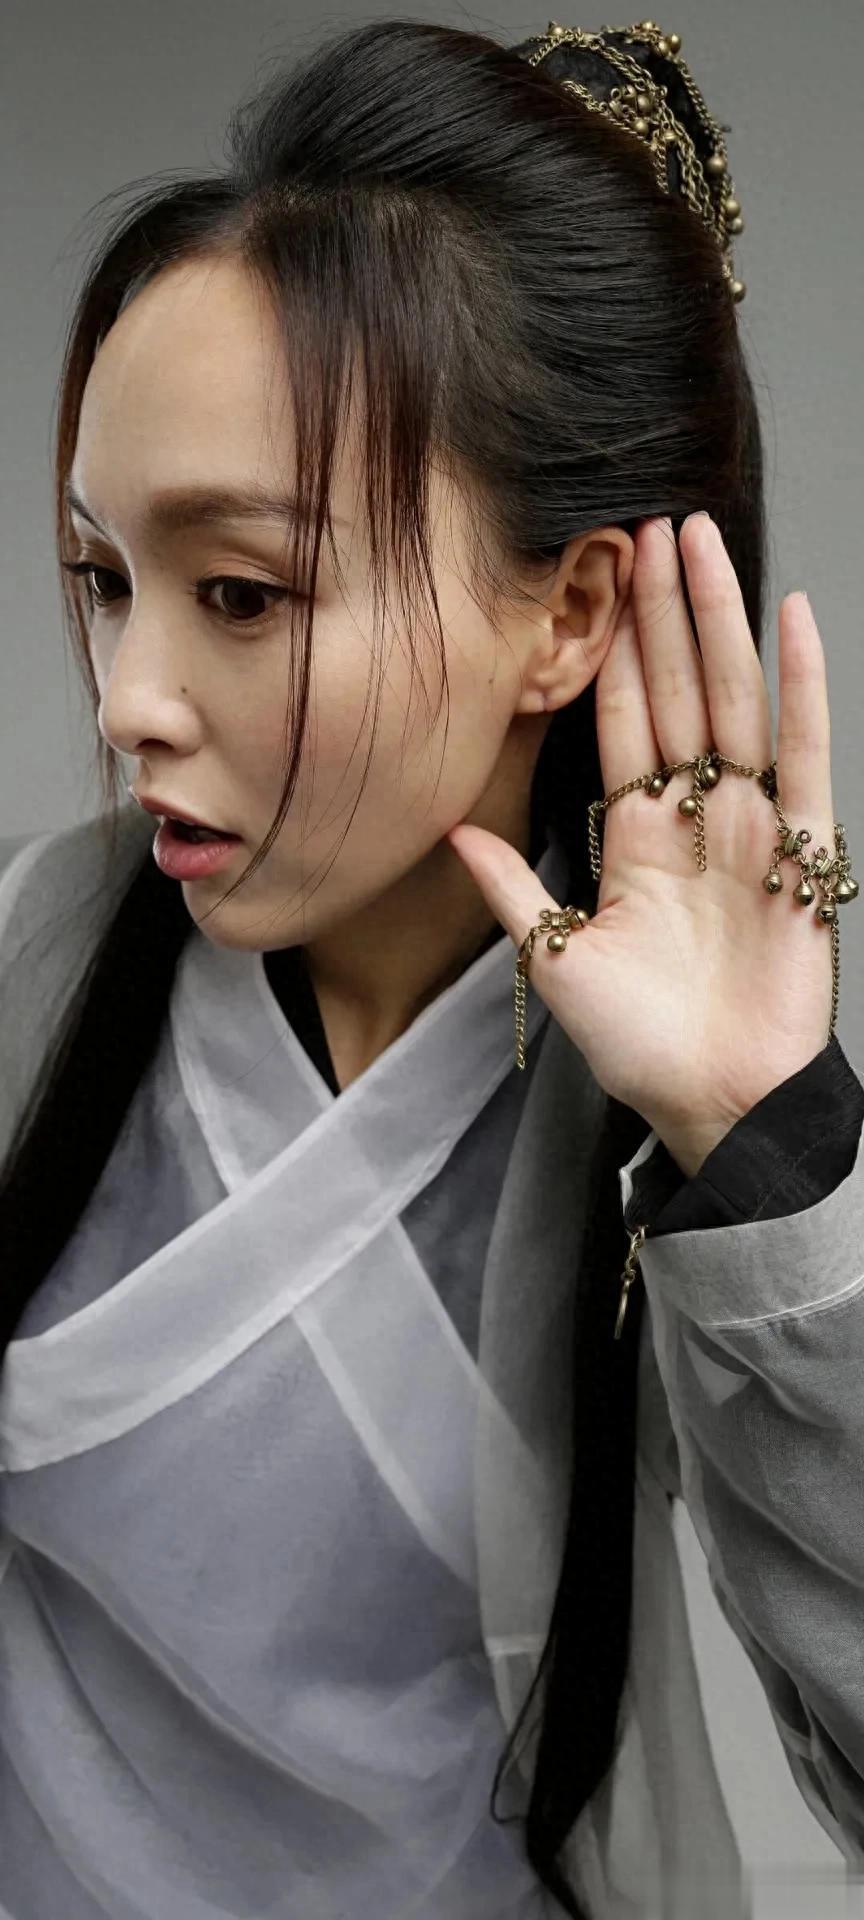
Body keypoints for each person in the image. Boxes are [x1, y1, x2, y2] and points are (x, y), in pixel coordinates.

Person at [0, 18, 862, 1920]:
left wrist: (761, 1146)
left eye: (241, 592)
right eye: (105, 578)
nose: (130, 700)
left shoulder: (646, 1122)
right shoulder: (33, 973)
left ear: (569, 611)